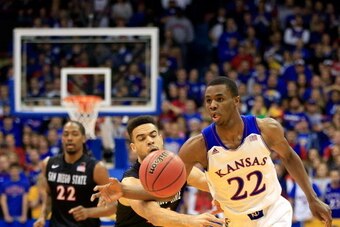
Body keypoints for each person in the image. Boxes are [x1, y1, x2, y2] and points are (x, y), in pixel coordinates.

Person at [93, 77, 332, 226]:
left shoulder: (265, 128)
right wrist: (123, 189)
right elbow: (162, 190)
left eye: (219, 99)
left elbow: (289, 157)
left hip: (273, 211)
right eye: (208, 100)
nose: (212, 105)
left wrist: (312, 198)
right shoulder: (197, 146)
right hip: (235, 220)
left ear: (236, 100)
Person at [114, 115, 224, 226]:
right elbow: (155, 215)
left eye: (153, 135)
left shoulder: (178, 168)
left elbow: (215, 185)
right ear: (133, 147)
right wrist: (192, 220)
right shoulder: (131, 181)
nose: (150, 141)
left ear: (161, 139)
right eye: (142, 138)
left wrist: (225, 198)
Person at [33, 120, 116, 227]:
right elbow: (48, 196)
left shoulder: (97, 168)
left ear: (84, 138)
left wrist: (88, 212)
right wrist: (42, 217)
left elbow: (113, 206)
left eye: (75, 134)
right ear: (62, 138)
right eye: (66, 134)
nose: (70, 138)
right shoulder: (48, 164)